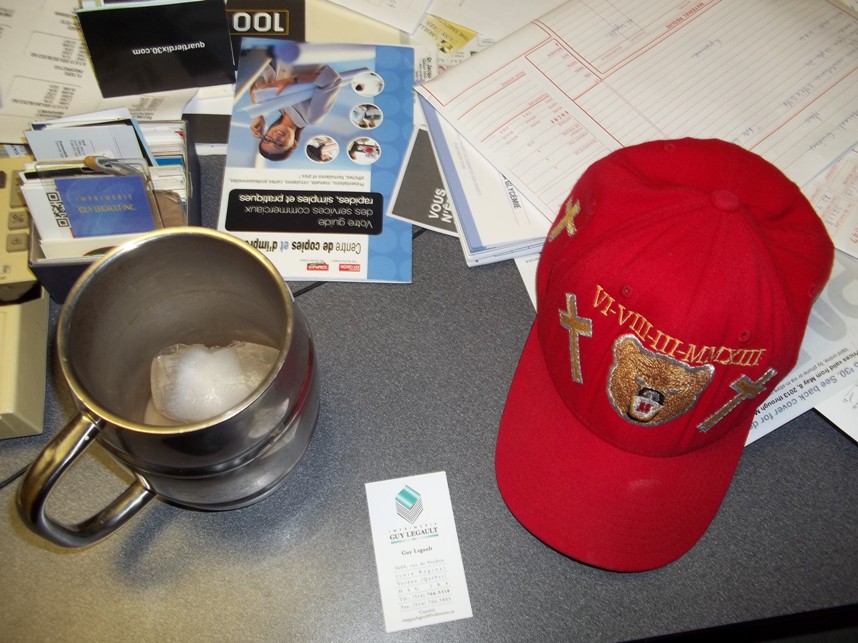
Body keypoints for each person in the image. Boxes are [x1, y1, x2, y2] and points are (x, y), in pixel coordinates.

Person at [249, 61, 344, 161]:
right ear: (293, 144)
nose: (276, 138)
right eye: (280, 144)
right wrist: (293, 80)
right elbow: (333, 81)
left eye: (268, 139)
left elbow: (256, 85)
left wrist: (258, 115)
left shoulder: (276, 105)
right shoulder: (311, 117)